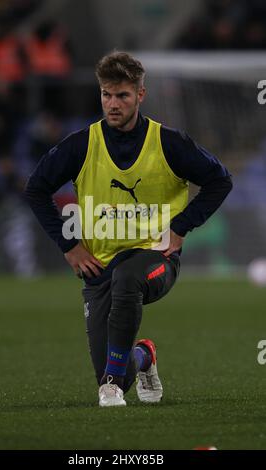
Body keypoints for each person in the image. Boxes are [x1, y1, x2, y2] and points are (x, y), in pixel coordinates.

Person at [25, 51, 233, 407]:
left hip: (156, 260)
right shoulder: (81, 145)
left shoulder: (169, 143)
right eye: (106, 94)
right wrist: (69, 245)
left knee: (127, 279)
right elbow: (36, 189)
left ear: (140, 95)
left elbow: (220, 180)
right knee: (120, 370)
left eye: (122, 95)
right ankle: (142, 358)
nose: (112, 103)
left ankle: (109, 384)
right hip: (98, 269)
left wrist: (181, 228)